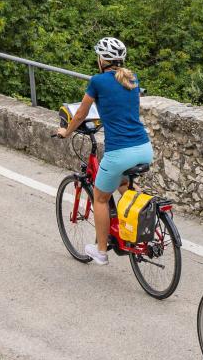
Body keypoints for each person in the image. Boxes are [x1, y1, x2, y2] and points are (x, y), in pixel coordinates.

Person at [54, 37, 153, 265]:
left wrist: (66, 132)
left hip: (120, 151)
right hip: (144, 147)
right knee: (123, 184)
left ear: (102, 60)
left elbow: (80, 114)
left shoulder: (98, 81)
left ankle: (100, 251)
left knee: (100, 197)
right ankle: (136, 223)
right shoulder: (132, 78)